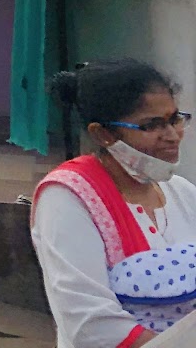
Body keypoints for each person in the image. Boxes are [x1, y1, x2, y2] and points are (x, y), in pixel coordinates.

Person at [32, 60, 196, 347]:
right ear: (103, 134)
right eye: (151, 125)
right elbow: (90, 323)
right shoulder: (67, 199)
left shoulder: (180, 192)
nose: (172, 135)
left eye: (174, 119)